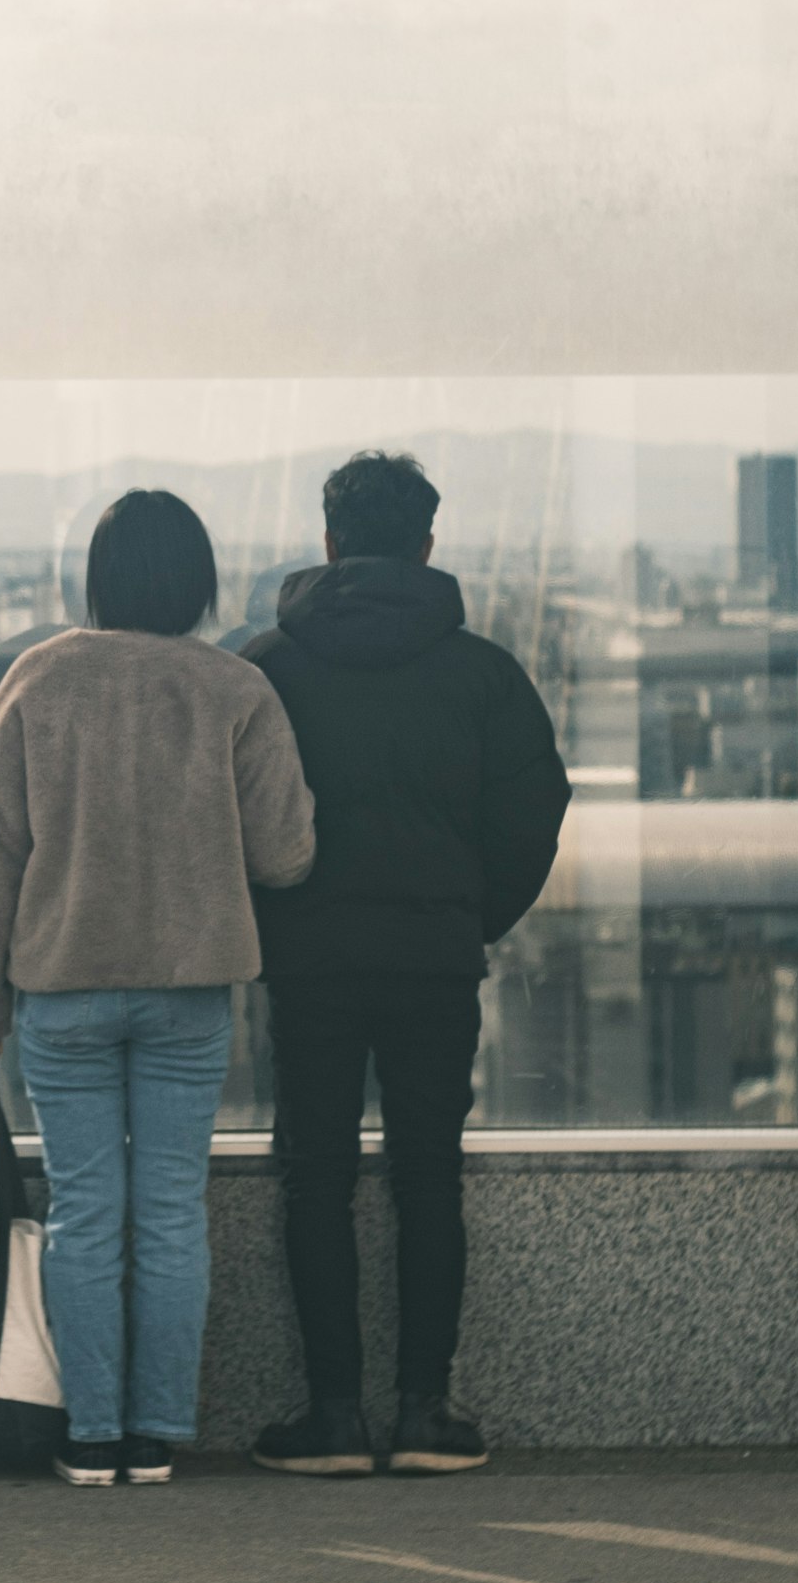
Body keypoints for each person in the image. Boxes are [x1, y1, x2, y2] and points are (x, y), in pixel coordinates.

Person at [0, 488, 317, 1487]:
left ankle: (93, 1433)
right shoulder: (236, 692)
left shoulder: (39, 679)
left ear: (95, 579)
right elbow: (286, 855)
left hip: (62, 987)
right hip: (190, 988)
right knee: (171, 1211)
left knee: (87, 1212)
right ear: (199, 582)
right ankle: (156, 1433)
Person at [242, 450, 570, 1478]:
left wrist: (271, 918)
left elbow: (228, 819)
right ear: (428, 546)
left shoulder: (267, 669)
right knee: (430, 1175)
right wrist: (469, 914)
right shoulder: (483, 673)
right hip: (434, 957)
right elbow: (534, 816)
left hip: (308, 958)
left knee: (316, 1176)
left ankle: (334, 1415)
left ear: (330, 542)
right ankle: (427, 1410)